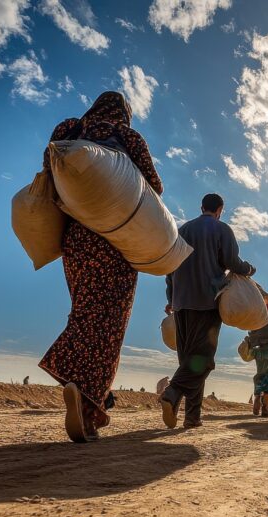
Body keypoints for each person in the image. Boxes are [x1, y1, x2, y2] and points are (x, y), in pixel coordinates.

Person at [39, 91, 164, 443]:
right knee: (110, 325)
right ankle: (89, 404)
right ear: (124, 113)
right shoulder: (128, 136)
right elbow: (155, 186)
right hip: (116, 244)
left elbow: (50, 167)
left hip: (77, 241)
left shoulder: (69, 127)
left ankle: (77, 382)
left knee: (83, 311)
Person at [162, 193, 255, 429]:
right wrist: (249, 269)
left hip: (182, 303)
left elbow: (170, 269)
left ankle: (192, 416)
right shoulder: (222, 229)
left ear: (201, 206)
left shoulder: (182, 231)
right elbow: (232, 261)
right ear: (220, 209)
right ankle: (172, 393)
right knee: (203, 362)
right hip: (207, 302)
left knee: (190, 361)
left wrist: (171, 297)